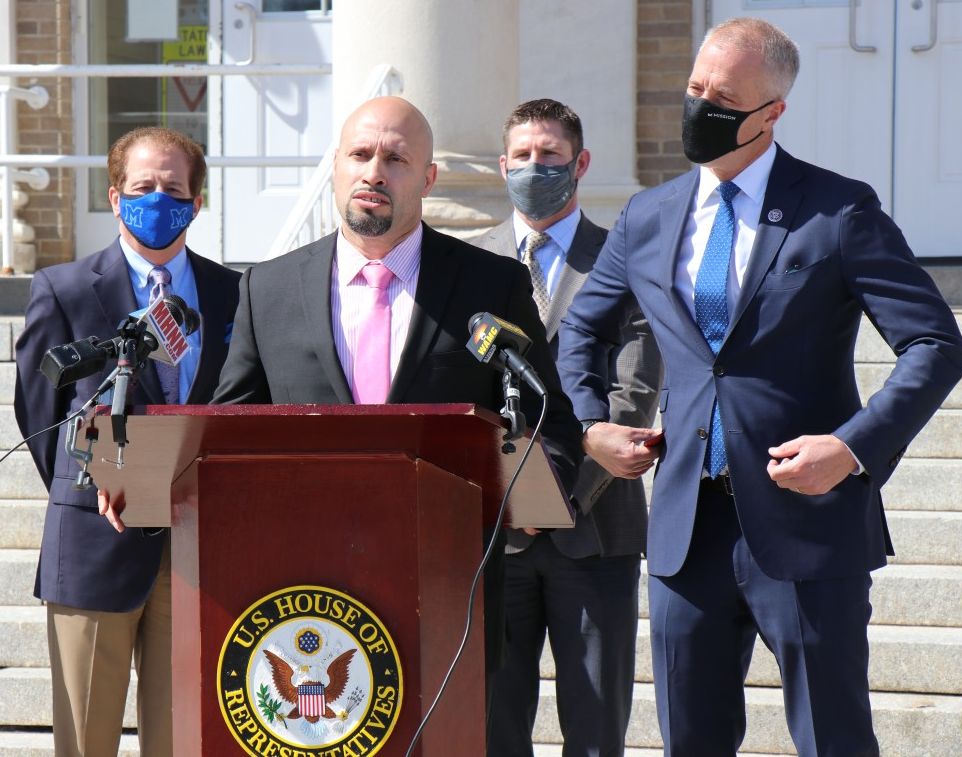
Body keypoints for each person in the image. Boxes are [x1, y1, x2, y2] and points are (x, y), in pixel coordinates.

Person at [557, 18, 962, 757]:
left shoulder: (838, 211)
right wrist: (592, 423)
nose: (699, 107)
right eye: (693, 89)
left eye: (722, 97)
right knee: (692, 740)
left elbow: (936, 345)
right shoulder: (647, 217)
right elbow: (583, 331)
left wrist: (850, 447)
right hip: (687, 529)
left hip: (808, 522)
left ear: (771, 112)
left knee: (833, 738)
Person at [210, 96, 583, 688]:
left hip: (446, 584)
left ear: (429, 178)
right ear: (335, 166)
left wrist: (534, 499)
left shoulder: (492, 284)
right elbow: (227, 431)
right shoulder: (267, 288)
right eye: (359, 154)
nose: (373, 172)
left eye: (396, 158)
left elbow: (550, 423)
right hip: (307, 591)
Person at [13, 127, 241, 757]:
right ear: (115, 197)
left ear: (197, 202)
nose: (158, 199)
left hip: (199, 550)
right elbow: (39, 412)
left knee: (184, 738)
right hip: (95, 542)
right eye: (143, 187)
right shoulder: (62, 290)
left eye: (174, 188)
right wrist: (95, 484)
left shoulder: (235, 294)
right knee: (85, 740)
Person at [473, 98, 661, 757]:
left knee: (596, 723)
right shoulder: (469, 265)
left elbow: (632, 396)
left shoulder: (627, 261)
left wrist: (558, 497)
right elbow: (463, 394)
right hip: (495, 534)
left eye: (549, 155)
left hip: (596, 526)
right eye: (522, 156)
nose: (534, 167)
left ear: (579, 163)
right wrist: (510, 497)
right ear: (502, 166)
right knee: (495, 722)